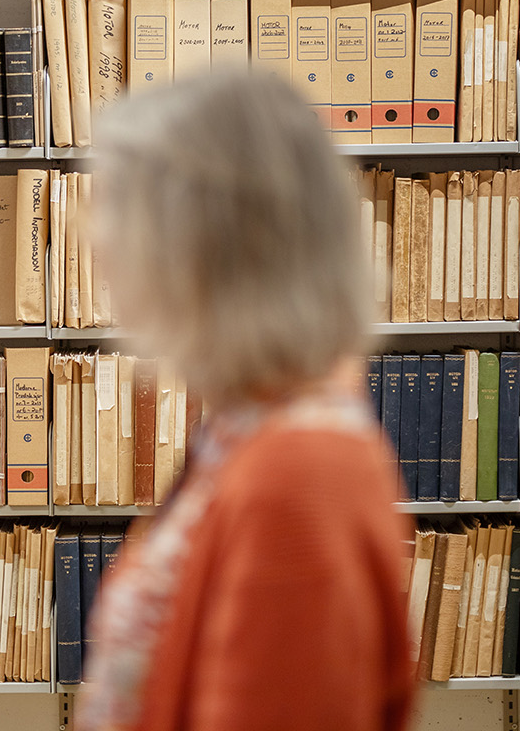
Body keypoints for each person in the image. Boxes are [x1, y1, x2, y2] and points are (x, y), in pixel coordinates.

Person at [75, 71, 416, 731]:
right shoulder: (250, 426)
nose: (96, 243)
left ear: (207, 246)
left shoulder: (301, 472)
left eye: (116, 208)